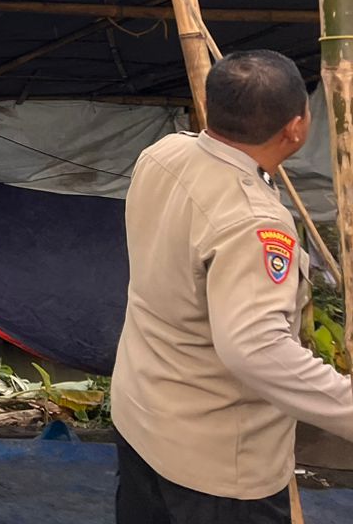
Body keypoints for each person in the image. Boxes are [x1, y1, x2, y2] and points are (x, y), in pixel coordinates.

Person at [113, 50, 353, 522]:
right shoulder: (254, 223)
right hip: (216, 462)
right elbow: (256, 349)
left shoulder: (163, 154)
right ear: (296, 128)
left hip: (143, 417)